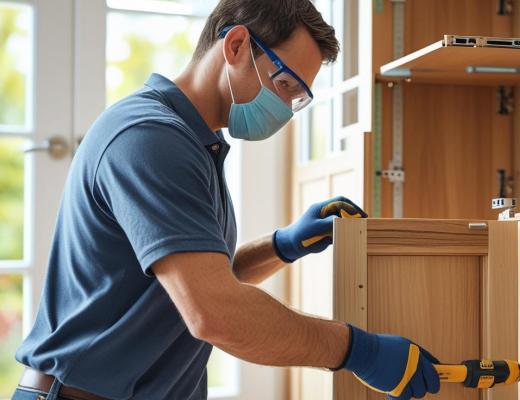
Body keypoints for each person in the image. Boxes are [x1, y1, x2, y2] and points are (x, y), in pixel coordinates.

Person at [12, 1, 440, 399]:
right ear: (236, 45)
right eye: (286, 83)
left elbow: (192, 285)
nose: (288, 108)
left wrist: (281, 246)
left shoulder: (196, 142)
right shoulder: (151, 138)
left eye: (299, 97)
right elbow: (214, 312)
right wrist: (358, 351)